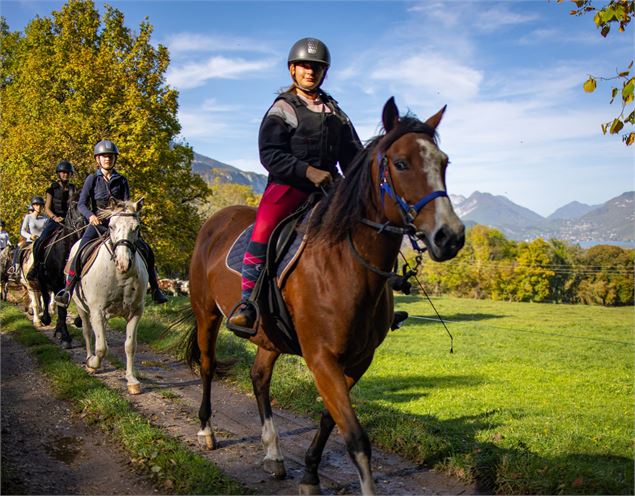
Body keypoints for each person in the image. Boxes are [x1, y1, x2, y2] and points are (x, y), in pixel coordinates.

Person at [227, 37, 362, 335]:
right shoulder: (283, 108)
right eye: (304, 66)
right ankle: (247, 305)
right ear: (292, 70)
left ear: (324, 72)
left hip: (329, 187)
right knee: (262, 231)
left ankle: (374, 300)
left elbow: (353, 156)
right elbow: (270, 154)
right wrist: (307, 171)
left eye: (317, 67)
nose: (310, 72)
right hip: (288, 187)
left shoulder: (337, 113)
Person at [54, 140, 168, 307]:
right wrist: (91, 216)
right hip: (98, 224)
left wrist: (130, 216)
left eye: (110, 156)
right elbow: (82, 204)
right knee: (79, 251)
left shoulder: (121, 180)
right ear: (98, 159)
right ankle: (68, 290)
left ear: (114, 159)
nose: (107, 159)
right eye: (104, 156)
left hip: (121, 225)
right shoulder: (92, 179)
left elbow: (127, 203)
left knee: (146, 250)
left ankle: (156, 289)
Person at [28, 160, 77, 279]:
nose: (65, 174)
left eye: (67, 173)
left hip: (70, 220)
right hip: (55, 220)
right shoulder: (51, 189)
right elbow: (47, 208)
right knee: (40, 241)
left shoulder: (73, 188)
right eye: (63, 172)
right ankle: (36, 266)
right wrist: (55, 218)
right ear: (59, 174)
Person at [9, 197, 48, 278]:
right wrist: (30, 236)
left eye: (41, 205)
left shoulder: (46, 218)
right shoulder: (28, 217)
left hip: (42, 241)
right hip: (30, 241)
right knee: (19, 249)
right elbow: (22, 231)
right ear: (33, 206)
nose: (39, 207)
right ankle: (16, 269)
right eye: (37, 205)